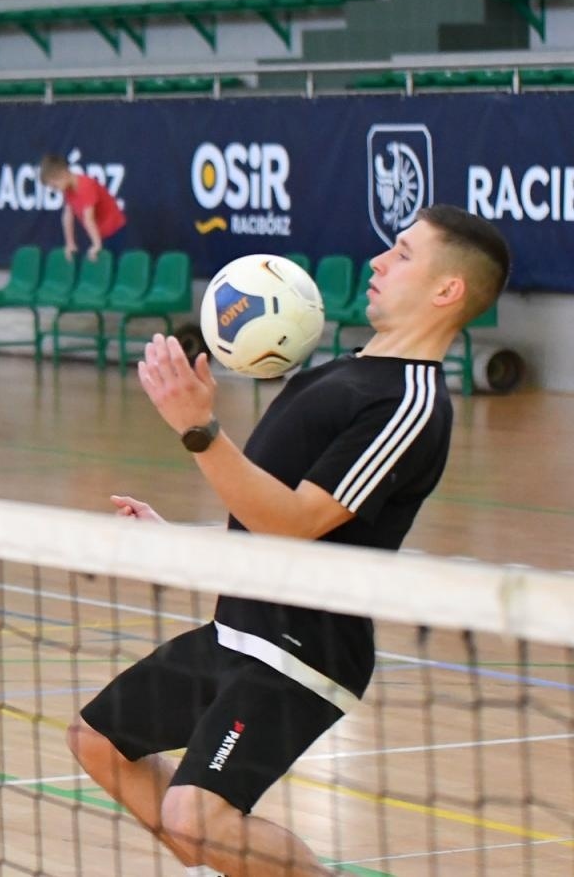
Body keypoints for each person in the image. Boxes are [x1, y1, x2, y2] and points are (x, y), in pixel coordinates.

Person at [68, 206, 510, 877]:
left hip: (301, 653)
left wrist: (199, 432)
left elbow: (299, 522)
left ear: (448, 291)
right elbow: (260, 522)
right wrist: (174, 540)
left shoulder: (409, 404)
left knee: (196, 816)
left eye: (403, 254)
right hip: (238, 631)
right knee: (98, 742)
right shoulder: (341, 373)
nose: (378, 263)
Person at [39, 153, 125, 261]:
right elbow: (67, 216)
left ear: (62, 174)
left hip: (114, 230)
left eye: (55, 186)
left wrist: (97, 244)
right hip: (100, 232)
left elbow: (88, 219)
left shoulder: (85, 186)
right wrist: (70, 243)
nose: (55, 190)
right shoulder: (68, 190)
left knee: (114, 267)